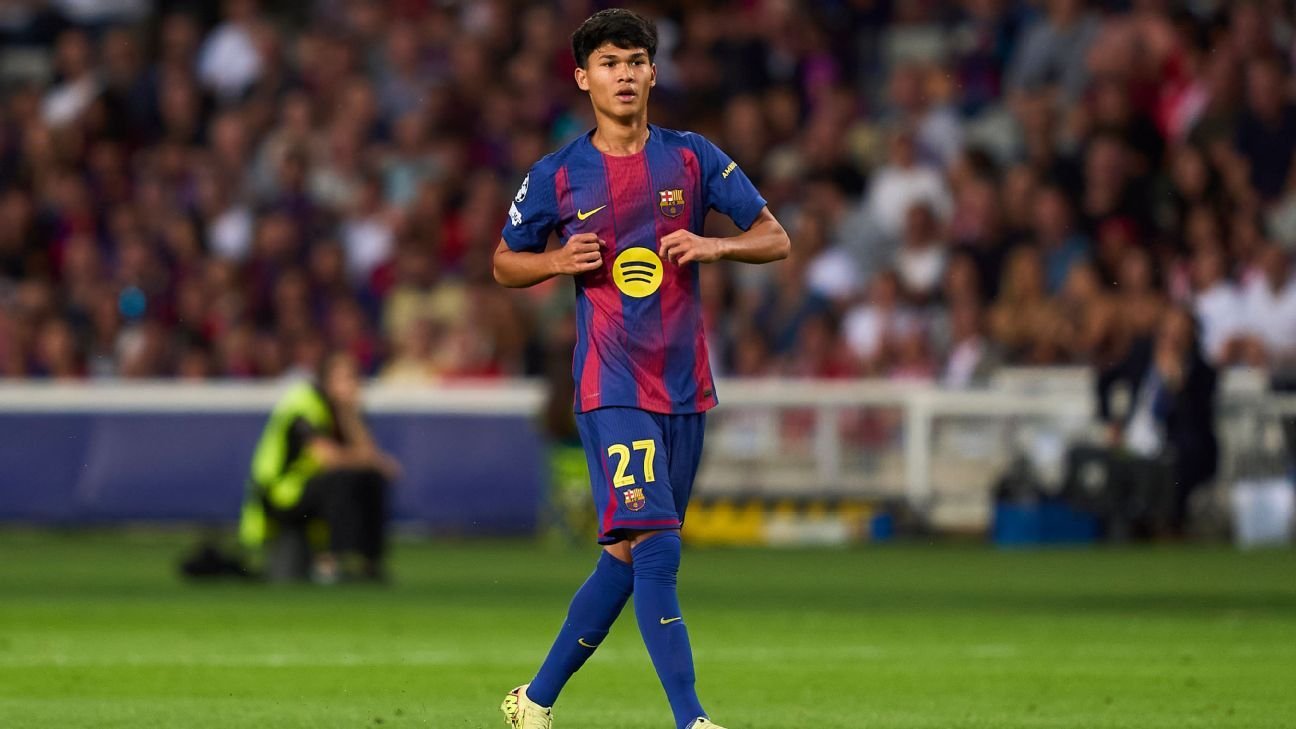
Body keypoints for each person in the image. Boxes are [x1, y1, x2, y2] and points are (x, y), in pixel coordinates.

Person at [491, 9, 789, 729]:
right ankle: (692, 719)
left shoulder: (692, 158)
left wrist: (715, 247)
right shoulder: (558, 173)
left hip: (685, 387)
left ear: (653, 72)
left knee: (626, 557)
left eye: (634, 61)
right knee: (657, 548)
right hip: (612, 385)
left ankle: (532, 701)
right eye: (609, 63)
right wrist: (556, 260)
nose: (623, 75)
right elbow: (503, 262)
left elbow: (775, 238)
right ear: (582, 78)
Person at [240, 351, 400, 582]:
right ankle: (330, 561)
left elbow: (367, 452)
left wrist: (348, 413)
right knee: (342, 478)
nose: (353, 384)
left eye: (355, 377)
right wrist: (375, 461)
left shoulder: (343, 409)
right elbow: (328, 458)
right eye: (345, 377)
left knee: (370, 478)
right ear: (326, 380)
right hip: (281, 493)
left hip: (312, 489)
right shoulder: (303, 403)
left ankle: (368, 562)